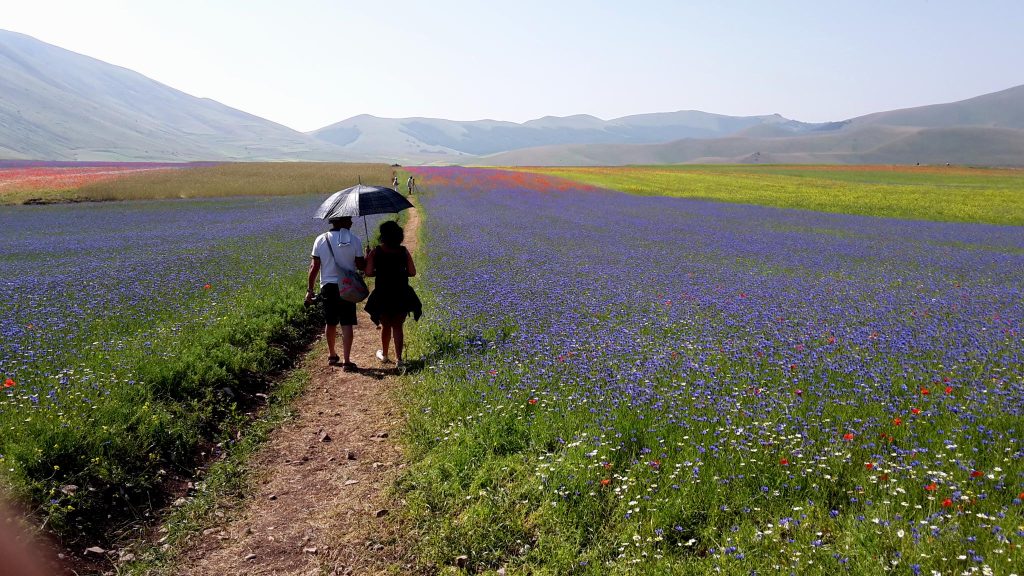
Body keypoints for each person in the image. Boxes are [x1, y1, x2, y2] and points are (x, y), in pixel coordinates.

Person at [307, 216, 366, 371]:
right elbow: (361, 266)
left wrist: (310, 290)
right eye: (349, 219)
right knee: (347, 323)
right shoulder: (354, 240)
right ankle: (347, 361)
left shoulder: (321, 239)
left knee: (330, 322)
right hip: (347, 286)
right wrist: (367, 255)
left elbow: (314, 267)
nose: (351, 222)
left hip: (328, 286)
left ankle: (332, 355)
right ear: (342, 221)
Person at [364, 220, 420, 370]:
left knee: (386, 325)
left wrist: (368, 256)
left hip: (382, 293)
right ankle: (399, 359)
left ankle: (385, 355)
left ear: (383, 235)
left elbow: (368, 272)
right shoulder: (403, 251)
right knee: (398, 326)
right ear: (398, 235)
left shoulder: (376, 252)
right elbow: (412, 272)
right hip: (401, 292)